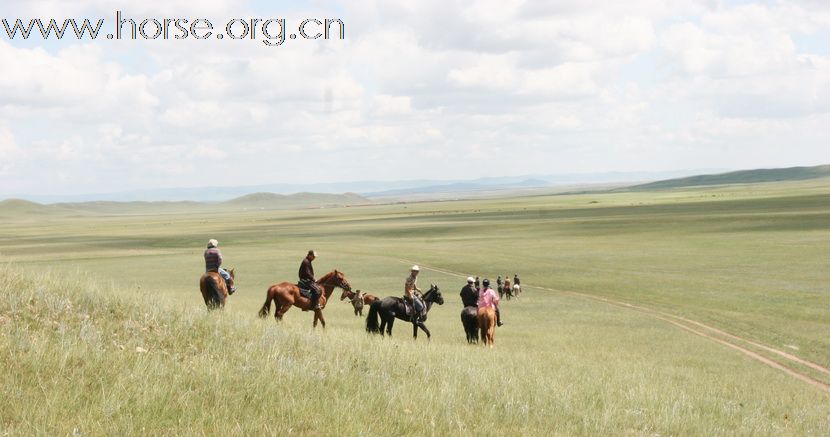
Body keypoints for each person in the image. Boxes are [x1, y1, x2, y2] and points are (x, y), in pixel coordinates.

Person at [477, 278, 501, 345]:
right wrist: (497, 302)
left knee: (477, 313)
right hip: (490, 307)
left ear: (483, 284)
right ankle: (499, 322)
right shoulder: (491, 291)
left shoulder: (480, 290)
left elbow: (480, 298)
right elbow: (495, 300)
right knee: (498, 311)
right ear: (488, 284)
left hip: (481, 307)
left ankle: (477, 323)